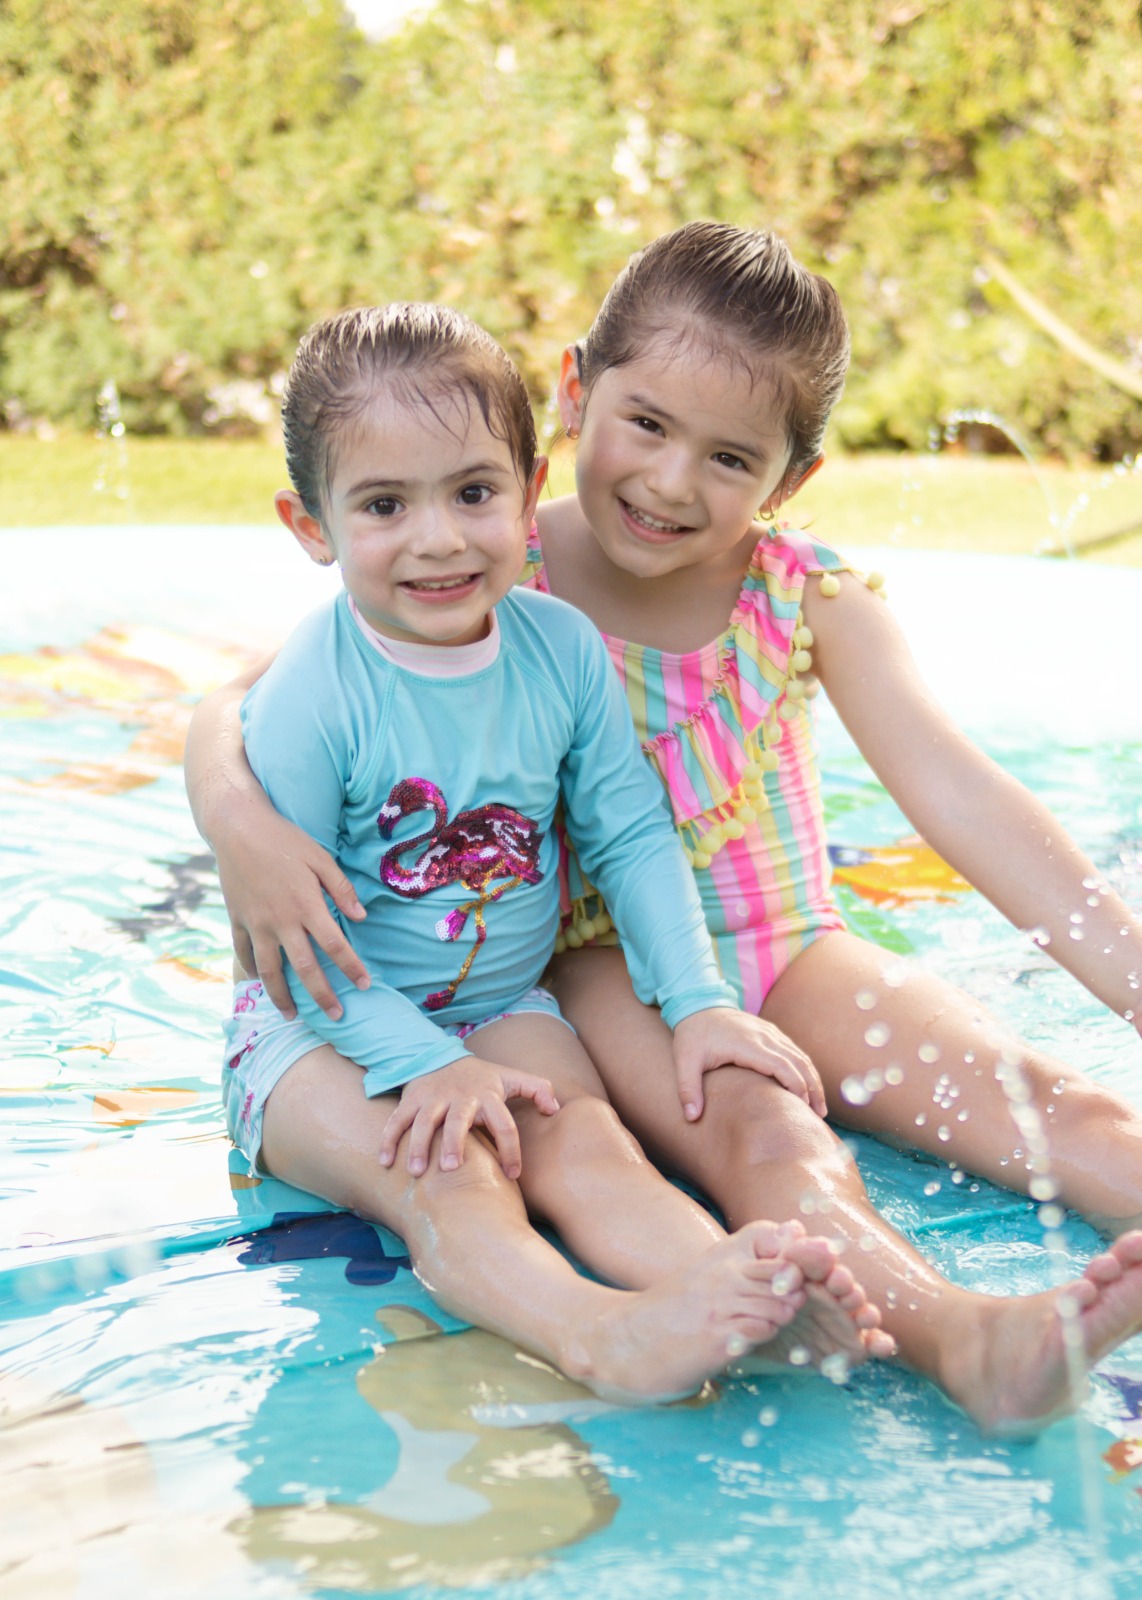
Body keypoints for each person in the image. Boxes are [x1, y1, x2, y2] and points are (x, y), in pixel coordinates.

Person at [186, 233, 1142, 1434]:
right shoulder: (486, 550)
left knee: (1033, 1097)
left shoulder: (804, 597)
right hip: (602, 967)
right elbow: (238, 704)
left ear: (789, 479)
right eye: (643, 425)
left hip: (786, 942)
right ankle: (965, 1341)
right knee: (770, 1135)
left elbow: (963, 799)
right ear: (577, 391)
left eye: (729, 456)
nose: (671, 482)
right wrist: (237, 826)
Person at [206, 299, 891, 1406]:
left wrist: (700, 1000)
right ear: (310, 523)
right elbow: (296, 954)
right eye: (383, 504)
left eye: (472, 492)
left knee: (592, 1150)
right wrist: (427, 1065)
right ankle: (595, 1334)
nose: (437, 537)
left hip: (503, 1004)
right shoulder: (312, 697)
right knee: (455, 1176)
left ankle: (726, 1292)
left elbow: (627, 834)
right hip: (317, 1032)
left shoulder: (557, 647)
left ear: (529, 493)